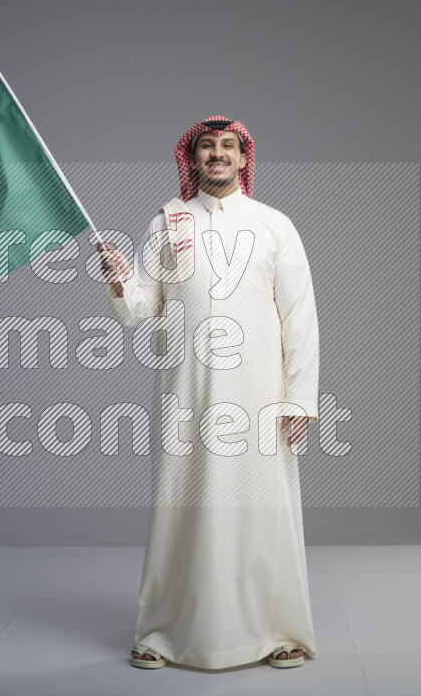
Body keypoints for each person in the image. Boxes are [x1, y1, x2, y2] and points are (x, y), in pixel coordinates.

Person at [97, 116, 319, 670]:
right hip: (187, 396)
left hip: (259, 398)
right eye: (206, 148)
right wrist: (121, 278)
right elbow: (143, 308)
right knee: (181, 506)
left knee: (263, 510)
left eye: (227, 148)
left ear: (244, 159)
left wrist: (300, 397)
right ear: (191, 160)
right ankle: (163, 633)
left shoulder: (274, 226)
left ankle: (277, 631)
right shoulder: (168, 222)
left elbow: (300, 318)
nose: (216, 155)